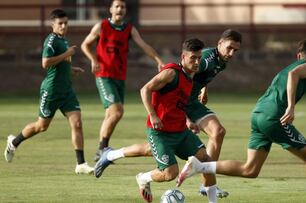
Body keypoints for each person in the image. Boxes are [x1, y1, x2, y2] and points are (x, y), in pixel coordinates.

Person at [93, 29, 242, 198]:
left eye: (235, 50)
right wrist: (157, 115)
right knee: (170, 170)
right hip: (168, 119)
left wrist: (202, 90)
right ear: (220, 44)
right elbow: (147, 89)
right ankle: (141, 176)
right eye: (229, 48)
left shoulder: (209, 65)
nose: (232, 53)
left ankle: (111, 154)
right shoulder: (188, 67)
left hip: (181, 116)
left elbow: (196, 76)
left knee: (202, 157)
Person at [176, 38, 306, 203]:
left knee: (250, 170)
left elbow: (291, 74)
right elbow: (294, 74)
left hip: (258, 114)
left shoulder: (288, 67)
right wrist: (290, 107)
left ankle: (199, 166)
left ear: (298, 56)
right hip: (274, 118)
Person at [3, 9, 94, 174]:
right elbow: (45, 63)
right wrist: (67, 54)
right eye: (60, 23)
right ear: (53, 24)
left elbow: (58, 64)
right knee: (41, 126)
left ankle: (80, 164)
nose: (64, 26)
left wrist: (70, 69)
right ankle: (13, 142)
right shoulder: (51, 40)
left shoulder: (63, 40)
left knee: (77, 124)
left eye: (66, 23)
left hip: (66, 90)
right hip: (51, 91)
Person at [81, 0, 164, 161]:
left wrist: (158, 60)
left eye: (123, 7)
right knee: (117, 112)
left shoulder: (129, 29)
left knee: (110, 115)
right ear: (111, 9)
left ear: (125, 10)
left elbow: (144, 45)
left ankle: (101, 150)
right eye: (117, 6)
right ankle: (102, 150)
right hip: (104, 75)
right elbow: (85, 45)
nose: (120, 9)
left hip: (119, 77)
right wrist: (93, 59)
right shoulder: (101, 26)